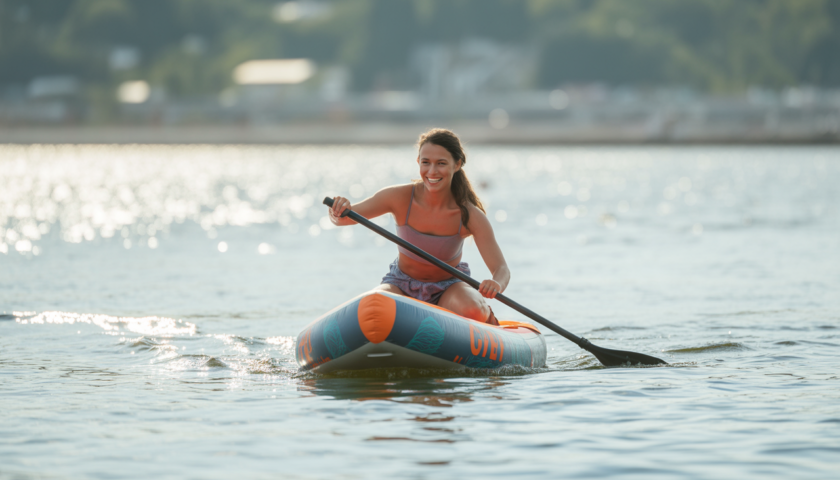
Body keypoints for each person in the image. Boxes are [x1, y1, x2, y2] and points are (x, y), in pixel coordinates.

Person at [328, 128, 509, 325]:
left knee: (472, 309)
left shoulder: (470, 215)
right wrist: (338, 210)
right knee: (373, 306)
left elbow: (501, 268)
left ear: (457, 164)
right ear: (418, 162)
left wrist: (496, 284)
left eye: (441, 163)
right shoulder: (398, 197)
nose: (432, 171)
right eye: (426, 162)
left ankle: (481, 317)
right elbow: (345, 218)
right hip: (401, 284)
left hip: (449, 289)